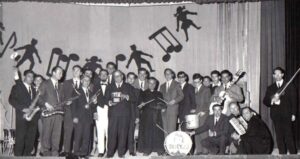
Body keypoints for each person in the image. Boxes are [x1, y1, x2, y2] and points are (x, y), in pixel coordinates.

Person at [263, 67, 297, 154]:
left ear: (282, 74)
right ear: (273, 75)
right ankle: (282, 154)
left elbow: (294, 101)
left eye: (279, 74)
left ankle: (293, 155)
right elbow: (265, 101)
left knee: (289, 135)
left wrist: (293, 114)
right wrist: (272, 101)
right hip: (276, 115)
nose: (277, 75)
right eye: (275, 74)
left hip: (287, 115)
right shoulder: (270, 88)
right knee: (279, 136)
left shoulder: (289, 86)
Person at [38, 66, 69, 156]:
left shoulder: (61, 86)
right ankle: (46, 152)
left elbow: (62, 100)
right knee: (46, 133)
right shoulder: (45, 84)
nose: (61, 75)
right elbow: (38, 98)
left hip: (59, 114)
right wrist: (46, 104)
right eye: (59, 72)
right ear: (53, 73)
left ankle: (55, 152)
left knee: (57, 134)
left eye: (62, 73)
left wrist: (66, 102)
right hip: (48, 113)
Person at [106, 70, 136, 158]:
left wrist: (127, 97)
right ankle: (110, 153)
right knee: (112, 133)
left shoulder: (128, 86)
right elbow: (106, 98)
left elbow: (134, 99)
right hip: (113, 114)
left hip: (125, 114)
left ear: (122, 76)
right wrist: (109, 102)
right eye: (115, 76)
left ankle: (121, 153)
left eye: (118, 76)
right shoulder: (110, 86)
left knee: (123, 134)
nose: (117, 78)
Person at [9, 70, 38, 156]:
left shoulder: (34, 89)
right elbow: (11, 100)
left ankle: (27, 156)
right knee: (20, 140)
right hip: (22, 117)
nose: (31, 78)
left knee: (30, 140)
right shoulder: (17, 87)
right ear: (24, 76)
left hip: (33, 118)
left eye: (33, 77)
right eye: (29, 76)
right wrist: (23, 109)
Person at [137, 77, 165, 156]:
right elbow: (139, 105)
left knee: (158, 133)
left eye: (154, 83)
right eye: (150, 83)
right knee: (147, 133)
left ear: (156, 85)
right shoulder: (143, 93)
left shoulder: (159, 93)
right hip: (147, 117)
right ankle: (147, 150)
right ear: (147, 83)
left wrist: (159, 106)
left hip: (157, 116)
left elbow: (163, 104)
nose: (152, 85)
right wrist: (141, 105)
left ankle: (159, 149)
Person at [72, 75, 97, 158]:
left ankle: (84, 153)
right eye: (85, 80)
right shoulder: (76, 91)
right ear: (81, 81)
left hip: (88, 118)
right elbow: (73, 105)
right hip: (79, 117)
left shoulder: (91, 93)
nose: (87, 82)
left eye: (88, 81)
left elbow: (92, 107)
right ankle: (76, 153)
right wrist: (74, 117)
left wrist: (94, 103)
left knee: (87, 136)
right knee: (78, 136)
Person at [60, 65, 82, 157]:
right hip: (68, 111)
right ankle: (66, 151)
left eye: (78, 70)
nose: (76, 72)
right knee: (68, 131)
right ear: (72, 72)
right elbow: (61, 96)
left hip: (81, 112)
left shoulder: (86, 83)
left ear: (81, 73)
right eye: (74, 70)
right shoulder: (66, 83)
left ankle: (77, 151)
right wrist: (65, 103)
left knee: (79, 132)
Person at [160, 68, 184, 135]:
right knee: (164, 130)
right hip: (163, 111)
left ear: (172, 75)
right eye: (166, 74)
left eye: (169, 74)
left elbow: (181, 96)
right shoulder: (162, 86)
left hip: (173, 110)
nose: (167, 75)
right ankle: (165, 145)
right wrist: (161, 107)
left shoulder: (177, 84)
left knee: (171, 130)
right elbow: (160, 98)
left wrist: (174, 101)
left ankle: (170, 145)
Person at [192, 73, 211, 155]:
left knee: (203, 132)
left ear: (201, 81)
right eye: (194, 82)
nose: (196, 84)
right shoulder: (194, 89)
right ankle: (199, 150)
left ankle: (205, 151)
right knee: (196, 132)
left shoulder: (206, 89)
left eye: (198, 82)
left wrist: (204, 111)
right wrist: (194, 110)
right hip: (196, 114)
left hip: (203, 113)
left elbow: (208, 102)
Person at [94, 69, 110, 157]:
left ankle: (108, 150)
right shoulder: (94, 86)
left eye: (105, 74)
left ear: (107, 76)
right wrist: (94, 112)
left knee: (108, 131)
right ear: (99, 76)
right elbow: (92, 100)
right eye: (102, 74)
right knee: (100, 130)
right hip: (99, 109)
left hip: (109, 110)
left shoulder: (112, 86)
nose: (103, 75)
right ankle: (101, 151)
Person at [126, 72, 140, 156]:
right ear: (126, 78)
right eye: (129, 78)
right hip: (121, 114)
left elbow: (137, 105)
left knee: (131, 132)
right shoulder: (120, 88)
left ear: (134, 80)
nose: (131, 79)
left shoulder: (137, 91)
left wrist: (137, 116)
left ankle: (131, 150)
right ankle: (121, 149)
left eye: (132, 78)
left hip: (132, 114)